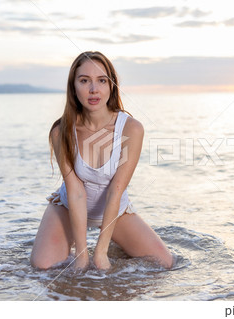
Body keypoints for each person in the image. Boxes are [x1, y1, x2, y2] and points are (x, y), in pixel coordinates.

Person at [30, 51, 173, 271]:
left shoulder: (131, 129)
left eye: (101, 80)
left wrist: (101, 253)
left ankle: (113, 244)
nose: (93, 89)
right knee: (42, 266)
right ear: (73, 86)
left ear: (111, 86)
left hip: (114, 209)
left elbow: (116, 190)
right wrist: (81, 254)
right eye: (84, 80)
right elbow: (76, 192)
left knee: (163, 263)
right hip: (70, 207)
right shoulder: (61, 131)